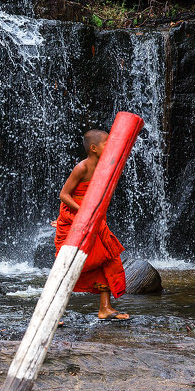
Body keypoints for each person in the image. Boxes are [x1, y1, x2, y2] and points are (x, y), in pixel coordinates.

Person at [53, 129, 129, 320]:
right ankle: (54, 312)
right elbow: (64, 195)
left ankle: (105, 308)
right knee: (68, 265)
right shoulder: (82, 167)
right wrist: (83, 212)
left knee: (108, 258)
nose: (110, 146)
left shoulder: (105, 165)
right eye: (106, 143)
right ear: (94, 148)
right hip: (76, 217)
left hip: (94, 218)